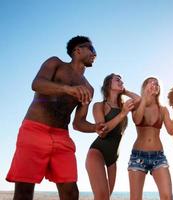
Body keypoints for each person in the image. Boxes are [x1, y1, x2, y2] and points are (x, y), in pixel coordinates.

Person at [6, 36, 102, 200]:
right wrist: (67, 89)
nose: (95, 54)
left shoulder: (88, 89)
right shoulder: (55, 63)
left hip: (62, 138)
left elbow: (78, 123)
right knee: (23, 191)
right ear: (77, 50)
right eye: (91, 49)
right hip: (34, 130)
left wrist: (95, 127)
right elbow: (36, 84)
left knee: (71, 193)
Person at [86, 73, 140, 200]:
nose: (121, 82)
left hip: (113, 158)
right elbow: (102, 131)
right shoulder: (99, 106)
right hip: (97, 152)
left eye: (122, 80)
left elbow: (140, 100)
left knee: (106, 197)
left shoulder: (124, 106)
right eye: (117, 80)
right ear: (108, 84)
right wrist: (122, 114)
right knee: (101, 196)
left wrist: (125, 91)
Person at [128, 77, 173, 200]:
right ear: (144, 87)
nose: (154, 84)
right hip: (138, 156)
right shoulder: (137, 105)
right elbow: (137, 120)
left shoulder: (163, 110)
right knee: (135, 198)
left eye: (157, 84)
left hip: (158, 157)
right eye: (151, 82)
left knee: (167, 196)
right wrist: (144, 98)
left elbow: (171, 130)